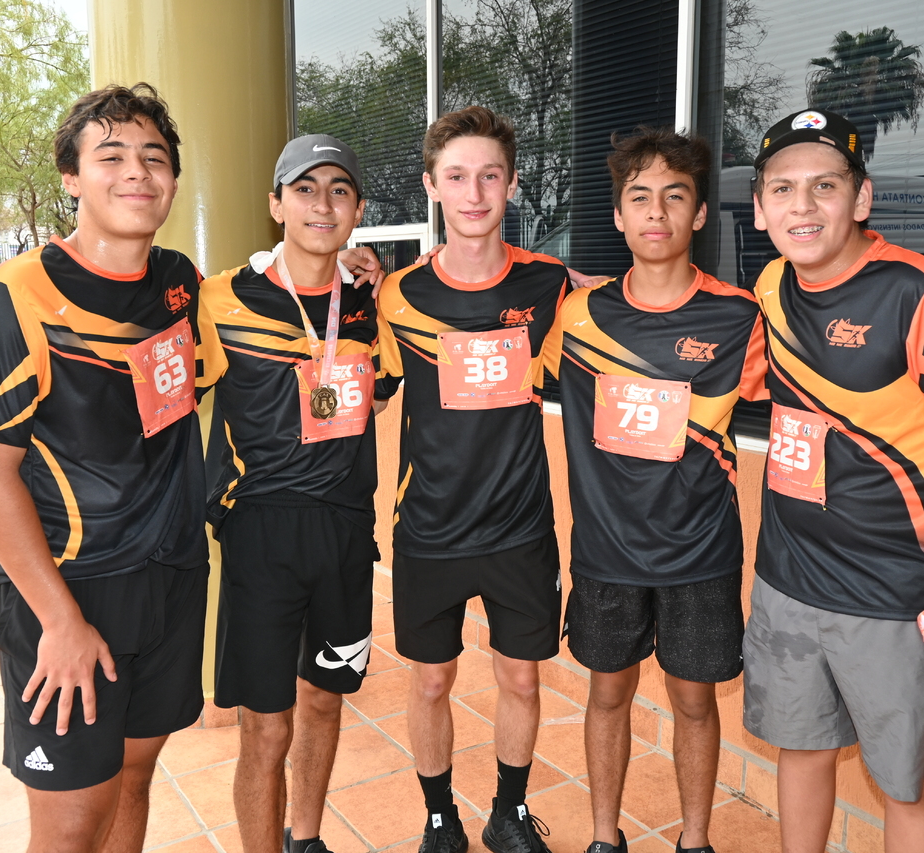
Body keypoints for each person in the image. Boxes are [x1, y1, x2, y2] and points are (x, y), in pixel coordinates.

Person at [0, 83, 218, 853]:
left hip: (170, 579)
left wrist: (345, 268)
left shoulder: (180, 283)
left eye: (154, 157)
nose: (137, 171)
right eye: (112, 156)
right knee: (71, 825)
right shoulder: (14, 297)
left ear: (173, 180)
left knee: (134, 778)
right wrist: (60, 621)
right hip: (71, 591)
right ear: (71, 177)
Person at [741, 108, 924, 853]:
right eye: (783, 189)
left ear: (860, 198)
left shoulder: (919, 294)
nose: (803, 206)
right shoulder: (771, 283)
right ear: (760, 209)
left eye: (825, 185)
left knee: (907, 782)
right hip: (788, 576)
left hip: (896, 596)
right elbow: (758, 378)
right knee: (801, 748)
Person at [548, 127, 765, 853]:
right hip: (606, 552)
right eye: (639, 197)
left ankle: (694, 840)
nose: (656, 212)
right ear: (618, 215)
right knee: (607, 693)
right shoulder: (577, 315)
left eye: (675, 196)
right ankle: (603, 837)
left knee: (694, 701)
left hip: (700, 553)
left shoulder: (740, 317)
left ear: (699, 214)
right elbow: (489, 297)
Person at [376, 105, 569, 853]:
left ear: (513, 184)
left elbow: (620, 315)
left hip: (520, 527)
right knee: (430, 682)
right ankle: (438, 818)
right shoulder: (396, 295)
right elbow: (356, 376)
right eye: (456, 176)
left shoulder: (551, 285)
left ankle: (508, 813)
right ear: (431, 186)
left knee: (520, 680)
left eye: (490, 175)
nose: (475, 193)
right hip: (428, 528)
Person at [200, 134, 394, 853]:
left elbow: (380, 394)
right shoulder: (220, 299)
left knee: (325, 700)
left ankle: (305, 839)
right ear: (276, 204)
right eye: (305, 188)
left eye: (340, 190)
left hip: (344, 533)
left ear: (358, 210)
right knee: (266, 726)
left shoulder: (371, 304)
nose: (323, 204)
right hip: (260, 535)